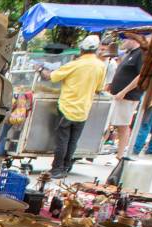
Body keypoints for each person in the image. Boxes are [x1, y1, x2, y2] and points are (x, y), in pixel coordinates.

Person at [40, 34, 107, 178]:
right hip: (83, 109)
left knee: (62, 140)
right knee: (73, 141)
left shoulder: (75, 64)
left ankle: (57, 169)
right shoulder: (100, 66)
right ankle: (66, 167)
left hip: (67, 107)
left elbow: (51, 77)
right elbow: (99, 88)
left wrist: (40, 70)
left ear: (81, 49)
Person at [107, 30, 146, 159]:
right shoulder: (130, 54)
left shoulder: (140, 54)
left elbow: (141, 76)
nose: (123, 42)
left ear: (133, 40)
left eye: (125, 39)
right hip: (117, 94)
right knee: (110, 123)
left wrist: (124, 91)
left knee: (123, 125)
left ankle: (120, 154)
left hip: (128, 97)